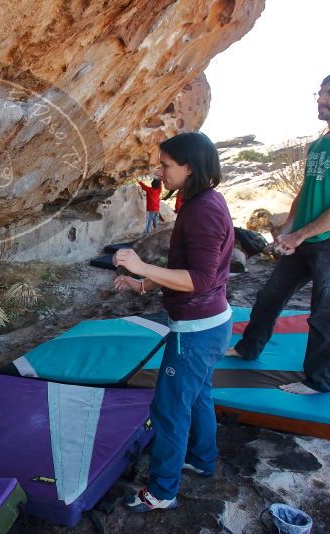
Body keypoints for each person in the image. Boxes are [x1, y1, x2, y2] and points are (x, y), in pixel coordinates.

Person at [113, 132, 233, 512]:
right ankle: (202, 459)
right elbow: (189, 269)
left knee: (169, 410)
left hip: (196, 332)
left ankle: (162, 492)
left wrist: (139, 264)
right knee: (198, 397)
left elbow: (198, 278)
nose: (159, 171)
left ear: (189, 167)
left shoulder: (203, 210)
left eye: (166, 165)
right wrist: (143, 283)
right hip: (210, 324)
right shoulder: (201, 201)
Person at [226, 75, 330, 395]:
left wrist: (301, 234)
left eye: (326, 94)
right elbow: (304, 191)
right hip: (303, 239)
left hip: (324, 242)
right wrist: (288, 229)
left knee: (323, 314)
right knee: (270, 295)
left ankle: (319, 380)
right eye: (319, 93)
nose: (319, 100)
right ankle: (249, 348)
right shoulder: (318, 144)